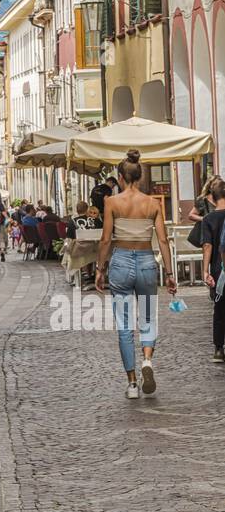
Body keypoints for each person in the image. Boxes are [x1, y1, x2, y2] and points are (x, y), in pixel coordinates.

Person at [96, 150, 177, 401]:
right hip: (146, 261)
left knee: (124, 325)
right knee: (148, 317)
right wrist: (170, 272)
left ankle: (132, 384)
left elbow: (106, 238)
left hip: (120, 261)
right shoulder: (153, 203)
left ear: (120, 177)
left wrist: (100, 269)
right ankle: (148, 360)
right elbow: (162, 240)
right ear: (140, 178)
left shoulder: (112, 203)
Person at [201, 177, 225, 364]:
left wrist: (205, 270)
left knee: (219, 308)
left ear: (212, 198)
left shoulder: (208, 219)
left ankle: (218, 348)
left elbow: (207, 245)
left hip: (218, 269)